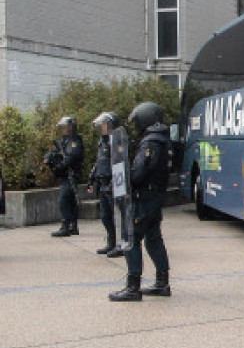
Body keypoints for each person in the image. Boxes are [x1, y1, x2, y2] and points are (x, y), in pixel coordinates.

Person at [109, 102, 173, 301]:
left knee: (131, 239)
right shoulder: (163, 140)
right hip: (155, 196)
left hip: (144, 197)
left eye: (137, 121)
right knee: (153, 238)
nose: (136, 125)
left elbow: (138, 173)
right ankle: (162, 282)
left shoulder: (150, 143)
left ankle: (133, 286)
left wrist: (125, 176)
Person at [87, 112, 124, 257]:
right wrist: (91, 179)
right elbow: (99, 162)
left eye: (105, 125)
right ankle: (111, 242)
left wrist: (114, 182)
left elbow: (119, 163)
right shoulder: (102, 142)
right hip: (102, 183)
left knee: (116, 215)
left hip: (112, 183)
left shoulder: (116, 141)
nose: (103, 128)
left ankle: (119, 244)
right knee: (105, 215)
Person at [47, 116, 84, 237]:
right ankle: (73, 226)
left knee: (63, 199)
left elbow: (71, 157)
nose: (64, 129)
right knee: (70, 200)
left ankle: (65, 226)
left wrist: (60, 165)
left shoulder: (75, 141)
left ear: (71, 127)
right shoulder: (66, 141)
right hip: (66, 175)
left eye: (66, 127)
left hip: (71, 175)